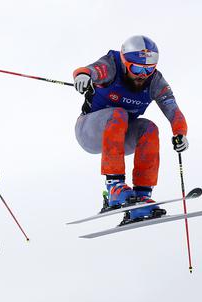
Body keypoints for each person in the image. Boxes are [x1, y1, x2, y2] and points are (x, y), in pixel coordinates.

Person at [73, 35, 189, 222]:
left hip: (119, 138)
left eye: (148, 70)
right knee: (119, 114)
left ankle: (140, 197)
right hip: (89, 131)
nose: (142, 75)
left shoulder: (155, 82)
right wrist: (83, 75)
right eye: (136, 68)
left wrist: (180, 133)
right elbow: (93, 70)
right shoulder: (113, 64)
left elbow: (173, 110)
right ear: (126, 63)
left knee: (150, 128)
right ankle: (114, 187)